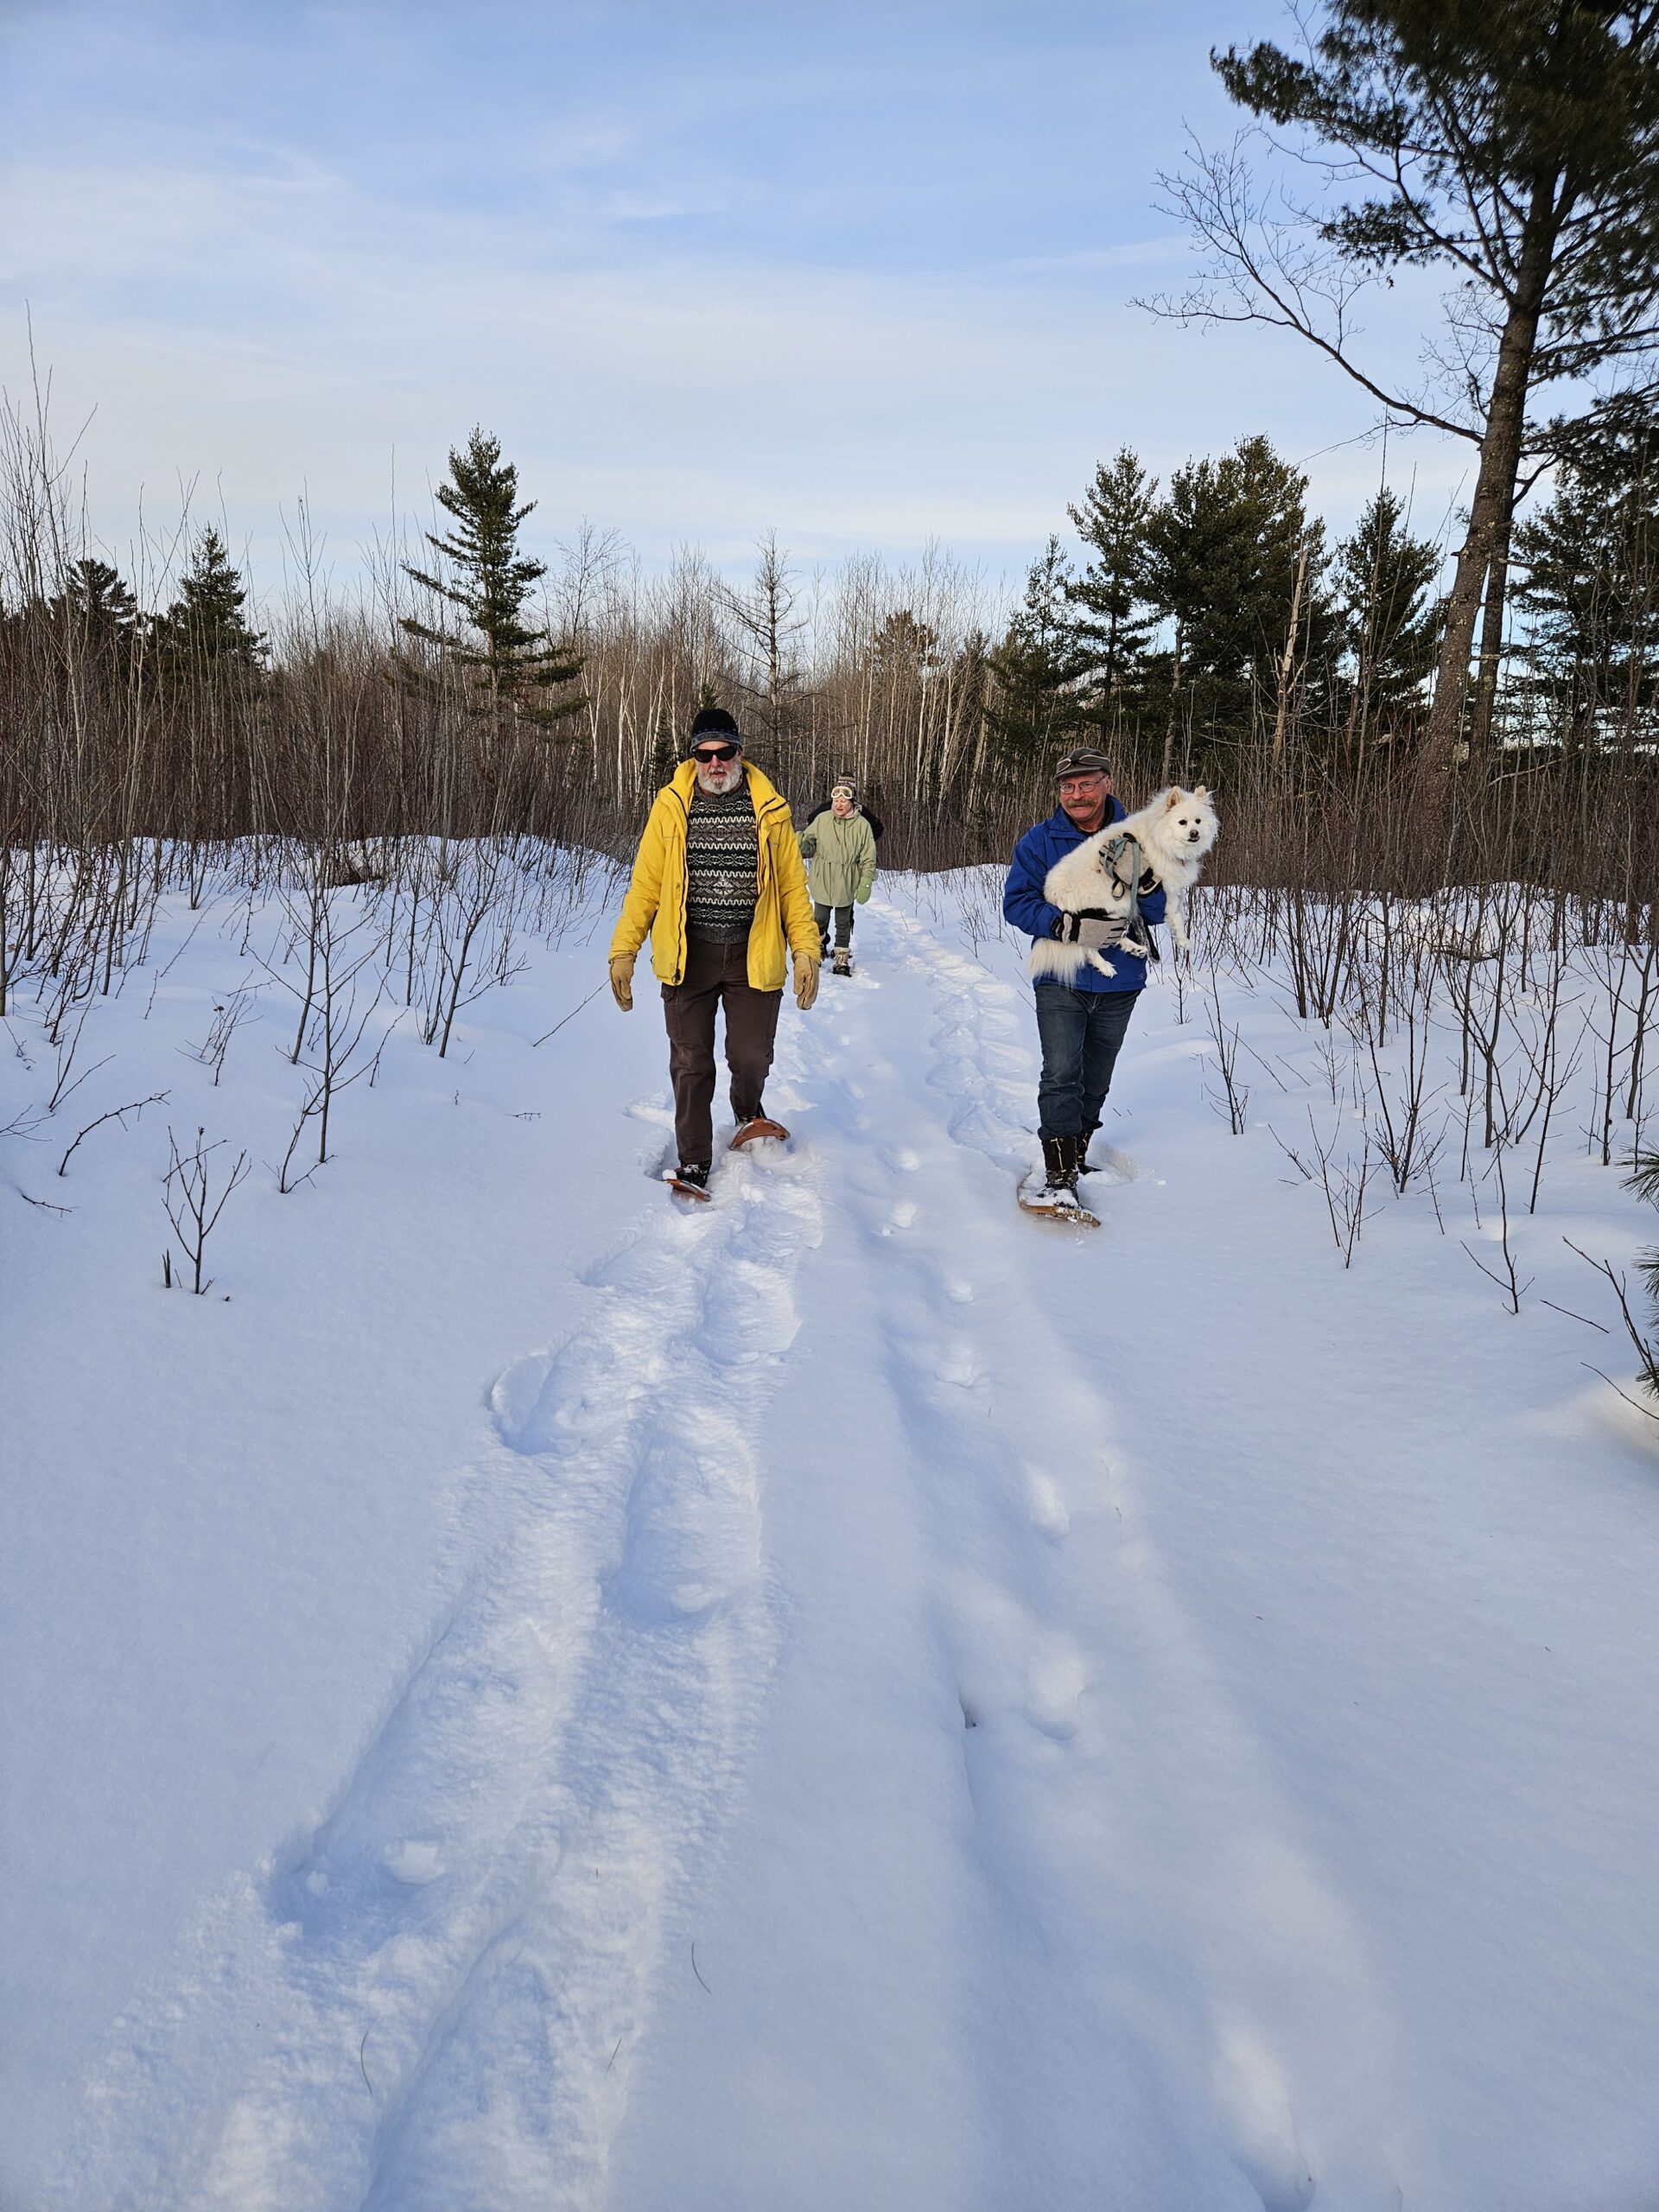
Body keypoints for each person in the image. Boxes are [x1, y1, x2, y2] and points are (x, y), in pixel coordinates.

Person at [608, 706, 820, 1193]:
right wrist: (624, 950)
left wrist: (805, 951)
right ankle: (694, 1160)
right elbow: (645, 887)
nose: (715, 763)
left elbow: (793, 888)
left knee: (751, 1055)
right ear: (694, 758)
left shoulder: (771, 810)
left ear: (739, 753)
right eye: (705, 755)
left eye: (724, 752)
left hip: (753, 952)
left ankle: (748, 1112)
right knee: (691, 1062)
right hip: (689, 955)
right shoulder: (670, 808)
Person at [1002, 746, 1167, 1210]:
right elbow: (1016, 902)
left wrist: (1143, 881)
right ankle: (1058, 1178)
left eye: (1087, 784)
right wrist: (1066, 926)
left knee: (1096, 1078)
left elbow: (1158, 910)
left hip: (1120, 980)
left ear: (1107, 784)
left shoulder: (1140, 836)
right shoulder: (1040, 841)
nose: (1077, 795)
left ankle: (1075, 1157)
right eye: (1068, 787)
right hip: (1061, 975)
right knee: (1061, 1074)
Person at [798, 778, 878, 975]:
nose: (839, 804)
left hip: (846, 880)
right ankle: (817, 948)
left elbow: (868, 857)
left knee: (843, 922)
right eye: (836, 800)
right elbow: (808, 844)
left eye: (843, 800)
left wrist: (866, 881)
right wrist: (797, 840)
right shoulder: (822, 819)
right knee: (820, 919)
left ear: (851, 801)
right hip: (823, 877)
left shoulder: (862, 826)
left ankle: (841, 957)